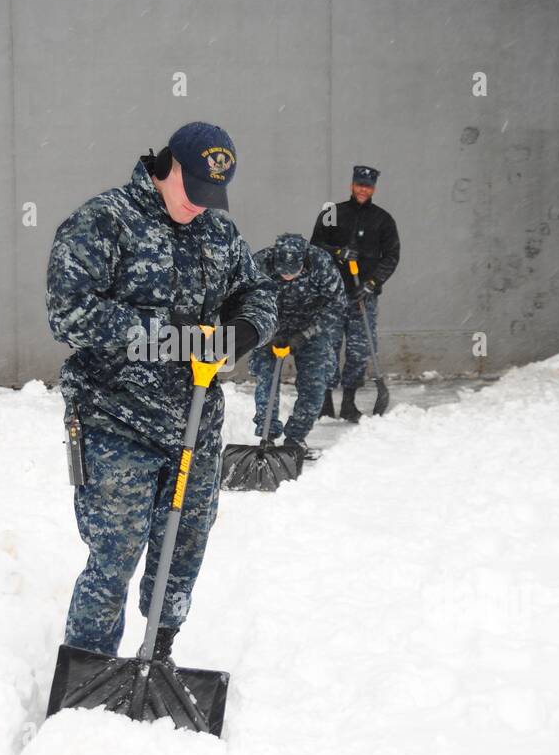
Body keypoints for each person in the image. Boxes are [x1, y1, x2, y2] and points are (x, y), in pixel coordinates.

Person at [46, 122, 278, 662]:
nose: (200, 206)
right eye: (192, 191)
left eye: (211, 196)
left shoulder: (218, 235)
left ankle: (158, 652)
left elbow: (259, 290)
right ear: (168, 166)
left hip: (195, 422)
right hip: (113, 419)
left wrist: (244, 331)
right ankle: (90, 664)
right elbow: (68, 314)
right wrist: (170, 337)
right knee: (115, 552)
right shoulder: (103, 222)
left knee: (184, 545)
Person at [310, 165, 400, 422]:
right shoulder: (332, 213)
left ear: (373, 189)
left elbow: (391, 257)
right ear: (352, 185)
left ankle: (348, 402)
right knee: (327, 346)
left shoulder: (383, 220)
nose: (363, 190)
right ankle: (324, 402)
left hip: (363, 296)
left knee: (359, 349)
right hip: (332, 294)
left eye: (368, 186)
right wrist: (337, 252)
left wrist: (371, 283)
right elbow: (314, 247)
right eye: (359, 184)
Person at [249, 233, 346, 459]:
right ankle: (267, 436)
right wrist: (267, 331)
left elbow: (336, 305)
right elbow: (244, 300)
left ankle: (295, 438)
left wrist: (304, 335)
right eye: (283, 273)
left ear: (304, 261)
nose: (288, 277)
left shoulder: (321, 263)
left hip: (311, 327)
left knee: (315, 382)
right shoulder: (260, 263)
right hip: (270, 325)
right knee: (265, 378)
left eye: (293, 272)